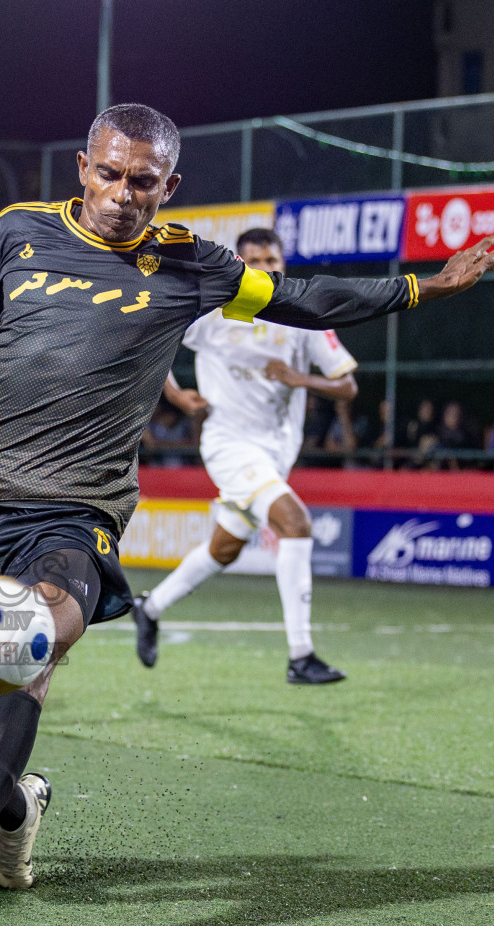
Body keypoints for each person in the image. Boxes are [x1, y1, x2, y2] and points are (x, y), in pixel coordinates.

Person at [0, 102, 494, 926]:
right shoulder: (17, 232)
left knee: (29, 644)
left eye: (143, 181)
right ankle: (16, 805)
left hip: (78, 508)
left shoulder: (190, 264)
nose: (122, 194)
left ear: (169, 187)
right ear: (82, 167)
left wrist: (424, 286)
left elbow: (298, 297)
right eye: (109, 173)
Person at [134, 227, 360, 685]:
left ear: (283, 265)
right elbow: (151, 343)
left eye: (272, 260)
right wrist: (178, 397)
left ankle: (150, 607)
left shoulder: (305, 318)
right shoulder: (216, 311)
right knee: (295, 523)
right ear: (239, 264)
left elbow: (347, 384)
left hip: (276, 453)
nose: (264, 268)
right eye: (254, 260)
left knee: (225, 547)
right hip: (228, 445)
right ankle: (301, 656)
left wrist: (301, 379)